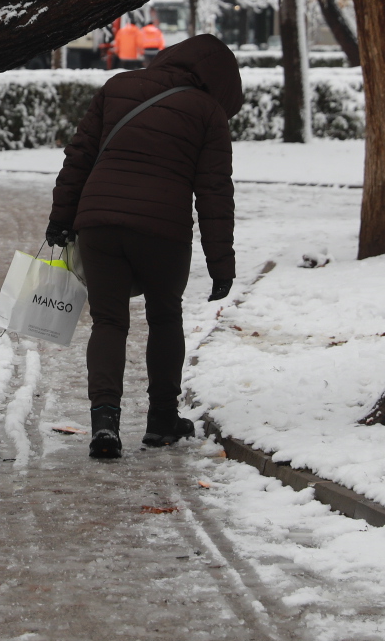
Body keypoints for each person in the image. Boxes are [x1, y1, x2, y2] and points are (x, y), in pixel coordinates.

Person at [44, 33, 241, 460]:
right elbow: (214, 193)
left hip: (97, 223)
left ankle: (105, 425)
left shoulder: (117, 86)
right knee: (165, 317)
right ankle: (162, 422)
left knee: (109, 322)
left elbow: (78, 157)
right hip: (163, 231)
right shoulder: (208, 113)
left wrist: (61, 220)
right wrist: (220, 262)